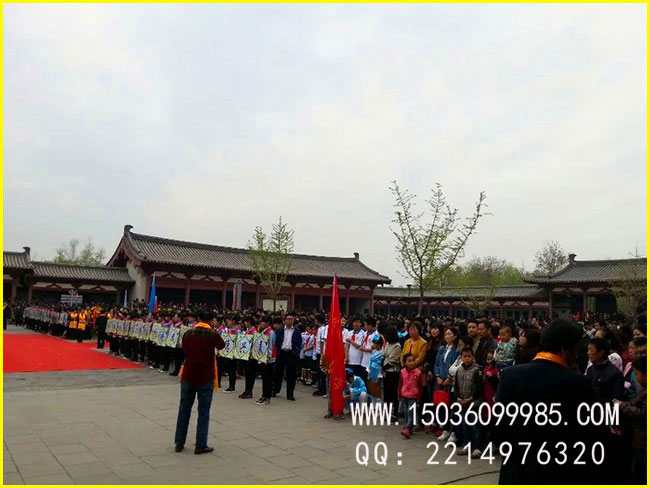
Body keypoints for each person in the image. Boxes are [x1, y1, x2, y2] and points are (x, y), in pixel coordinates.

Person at [495, 319, 607, 484]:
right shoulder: (578, 384)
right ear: (565, 349)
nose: (577, 355)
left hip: (517, 471)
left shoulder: (510, 376)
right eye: (577, 349)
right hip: (560, 472)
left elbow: (499, 429)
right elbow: (590, 435)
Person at [174, 310, 225, 455]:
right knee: (203, 411)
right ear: (211, 321)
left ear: (197, 319)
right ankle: (200, 444)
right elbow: (222, 345)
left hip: (188, 375)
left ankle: (179, 442)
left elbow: (184, 348)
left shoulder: (188, 333)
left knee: (184, 409)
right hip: (205, 376)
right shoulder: (212, 334)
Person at [615, 357, 646, 484]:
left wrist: (622, 405)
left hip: (643, 439)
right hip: (638, 437)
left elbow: (644, 413)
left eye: (637, 374)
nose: (636, 378)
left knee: (640, 471)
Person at [453, 347, 483, 458]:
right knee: (465, 425)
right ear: (461, 358)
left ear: (473, 357)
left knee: (475, 425)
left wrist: (470, 399)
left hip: (474, 403)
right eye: (464, 356)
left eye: (469, 356)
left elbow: (479, 388)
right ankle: (466, 445)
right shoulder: (459, 370)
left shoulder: (477, 370)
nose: (467, 359)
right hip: (463, 403)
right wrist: (458, 397)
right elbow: (456, 386)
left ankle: (477, 448)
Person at [435, 327, 460, 442]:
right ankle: (445, 429)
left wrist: (449, 378)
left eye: (450, 334)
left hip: (452, 382)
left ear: (455, 336)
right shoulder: (442, 348)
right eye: (446, 334)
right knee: (442, 406)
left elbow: (456, 365)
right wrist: (438, 376)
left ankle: (453, 431)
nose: (447, 336)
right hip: (441, 381)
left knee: (453, 407)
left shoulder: (457, 350)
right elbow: (437, 363)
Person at [585, 337, 625, 403]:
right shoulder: (590, 369)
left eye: (591, 350)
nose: (588, 353)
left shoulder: (615, 374)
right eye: (588, 350)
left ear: (601, 353)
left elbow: (616, 399)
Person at [273, 312, 302, 401]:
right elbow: (276, 342)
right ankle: (275, 390)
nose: (289, 321)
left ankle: (290, 394)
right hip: (281, 353)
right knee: (278, 373)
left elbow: (299, 343)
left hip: (291, 354)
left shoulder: (297, 331)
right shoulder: (279, 330)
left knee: (291, 375)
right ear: (284, 321)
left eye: (291, 319)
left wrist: (296, 353)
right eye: (288, 319)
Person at [398, 353, 421, 439]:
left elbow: (420, 386)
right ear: (405, 362)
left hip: (413, 396)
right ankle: (409, 427)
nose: (411, 363)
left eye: (413, 361)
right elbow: (400, 384)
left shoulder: (418, 372)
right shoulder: (402, 372)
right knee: (406, 412)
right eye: (409, 361)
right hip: (404, 395)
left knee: (411, 412)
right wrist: (399, 394)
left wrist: (418, 397)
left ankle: (407, 428)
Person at [382, 326, 402, 422]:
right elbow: (384, 354)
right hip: (386, 372)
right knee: (386, 393)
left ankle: (394, 413)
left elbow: (393, 360)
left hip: (393, 372)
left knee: (393, 394)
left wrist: (383, 367)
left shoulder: (397, 346)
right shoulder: (388, 344)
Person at [255, 315, 276, 406]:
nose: (261, 323)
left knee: (268, 379)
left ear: (268, 323)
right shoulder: (263, 331)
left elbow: (271, 347)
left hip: (268, 359)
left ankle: (267, 397)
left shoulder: (271, 333)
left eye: (263, 322)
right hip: (262, 358)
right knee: (264, 378)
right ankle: (264, 395)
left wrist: (268, 357)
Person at [366, 335, 384, 401]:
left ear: (380, 344)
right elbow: (370, 362)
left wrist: (379, 374)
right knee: (371, 387)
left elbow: (382, 364)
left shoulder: (383, 352)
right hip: (372, 371)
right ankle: (373, 401)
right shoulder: (374, 351)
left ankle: (379, 402)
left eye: (376, 344)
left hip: (378, 372)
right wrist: (369, 372)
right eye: (374, 343)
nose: (374, 345)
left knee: (377, 387)